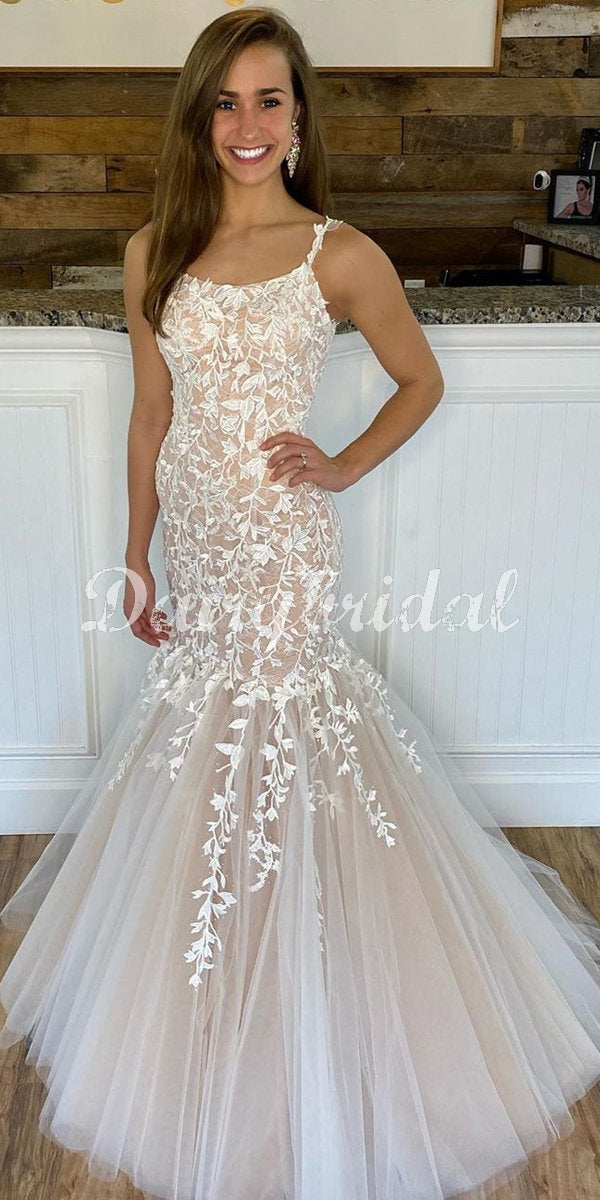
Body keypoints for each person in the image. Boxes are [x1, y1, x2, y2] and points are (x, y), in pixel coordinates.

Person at [1, 8, 600, 1200]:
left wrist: (342, 463)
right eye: (226, 101)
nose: (247, 123)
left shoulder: (338, 253)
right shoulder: (154, 251)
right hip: (199, 539)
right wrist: (136, 551)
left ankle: (314, 964)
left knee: (283, 715)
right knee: (202, 720)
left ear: (299, 117)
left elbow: (421, 378)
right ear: (198, 118)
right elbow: (151, 415)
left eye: (268, 99)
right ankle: (209, 956)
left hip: (280, 541)